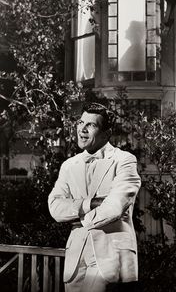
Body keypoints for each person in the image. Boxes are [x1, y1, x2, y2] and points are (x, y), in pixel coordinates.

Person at [48, 102, 141, 292]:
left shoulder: (124, 160)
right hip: (76, 258)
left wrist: (79, 219)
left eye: (91, 125)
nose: (82, 129)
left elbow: (115, 207)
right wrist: (91, 203)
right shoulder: (69, 165)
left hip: (111, 255)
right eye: (81, 123)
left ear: (106, 134)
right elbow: (55, 207)